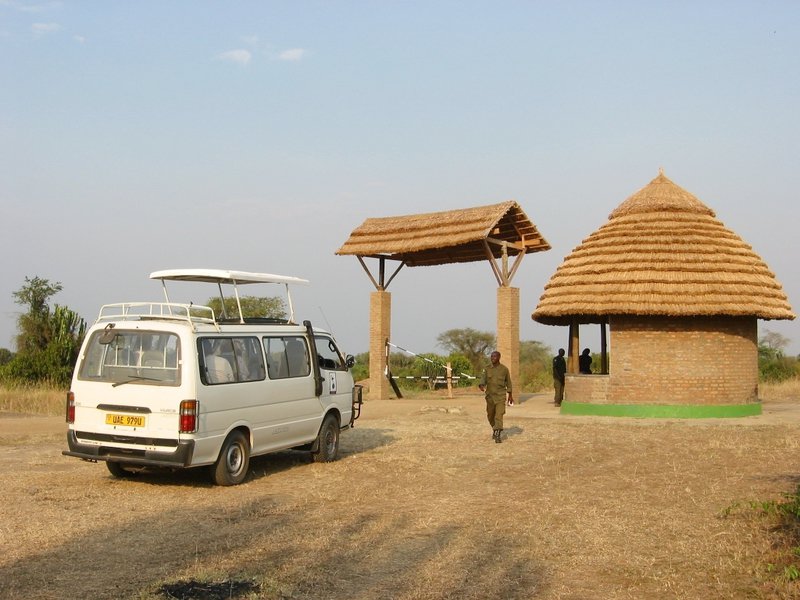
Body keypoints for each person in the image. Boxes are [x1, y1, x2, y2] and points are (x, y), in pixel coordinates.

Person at [478, 350, 513, 443]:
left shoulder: (504, 369)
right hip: (490, 396)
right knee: (490, 416)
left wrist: (510, 395)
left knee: (499, 415)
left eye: (494, 356)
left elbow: (509, 383)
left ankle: (497, 433)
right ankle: (495, 428)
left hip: (500, 396)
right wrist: (481, 385)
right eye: (491, 356)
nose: (492, 358)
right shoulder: (487, 368)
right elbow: (483, 379)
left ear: (499, 357)